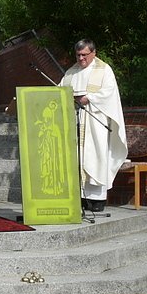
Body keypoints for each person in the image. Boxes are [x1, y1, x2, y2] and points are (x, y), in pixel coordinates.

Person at [60, 39, 128, 212]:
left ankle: (97, 200)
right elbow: (60, 90)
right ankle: (80, 198)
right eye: (78, 55)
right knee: (77, 158)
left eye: (84, 55)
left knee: (94, 156)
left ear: (94, 53)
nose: (81, 58)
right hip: (74, 121)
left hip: (94, 121)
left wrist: (89, 98)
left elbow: (109, 93)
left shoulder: (104, 70)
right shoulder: (71, 73)